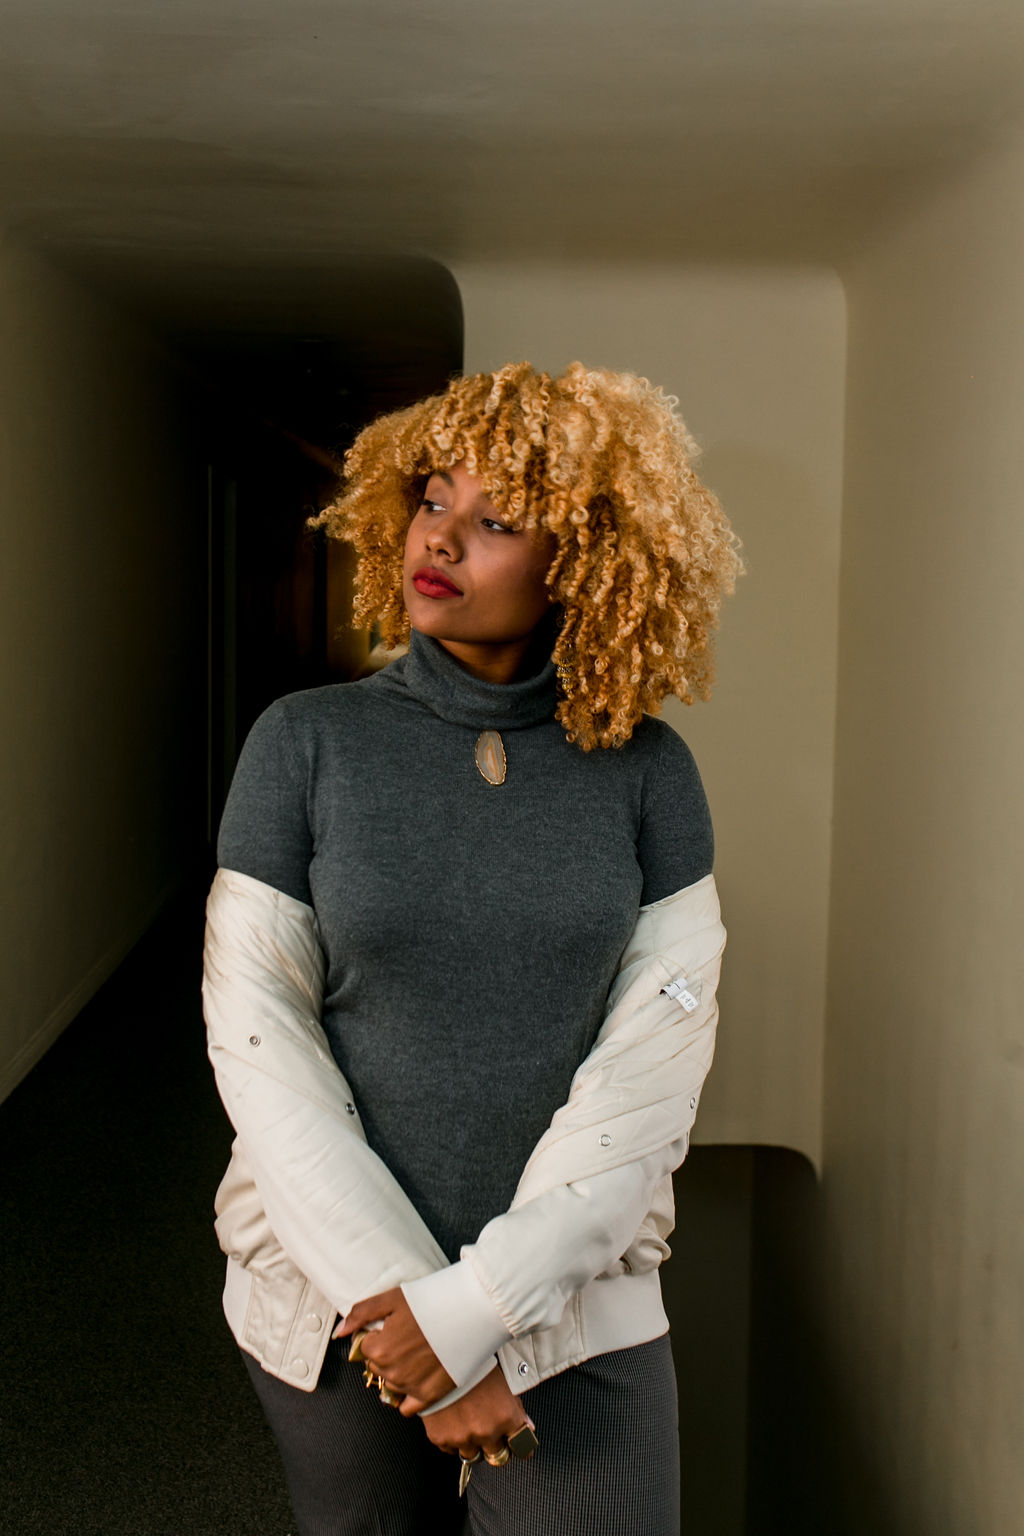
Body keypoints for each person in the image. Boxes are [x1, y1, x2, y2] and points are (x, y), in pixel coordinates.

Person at [202, 360, 740, 1536]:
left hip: (577, 1292)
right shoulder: (304, 742)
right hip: (336, 1288)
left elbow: (651, 1070)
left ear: (583, 565)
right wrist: (409, 1315)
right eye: (433, 500)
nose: (436, 538)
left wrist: (476, 1311)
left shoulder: (649, 774)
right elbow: (260, 1046)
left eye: (496, 521)